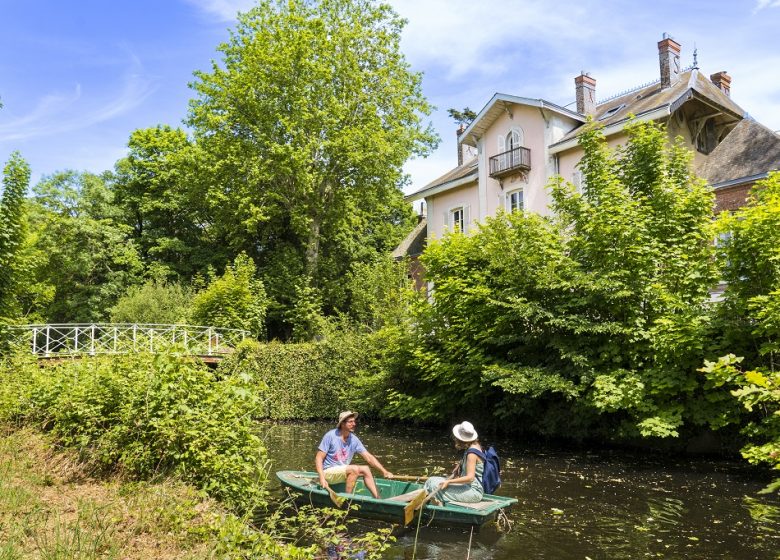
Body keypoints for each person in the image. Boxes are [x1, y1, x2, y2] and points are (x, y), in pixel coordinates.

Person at [315, 411, 393, 499]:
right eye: (350, 422)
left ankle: (379, 499)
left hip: (342, 472)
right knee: (354, 469)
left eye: (354, 421)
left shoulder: (354, 439)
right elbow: (319, 458)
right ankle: (348, 500)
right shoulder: (330, 436)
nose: (354, 424)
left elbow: (369, 457)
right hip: (327, 472)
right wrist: (321, 478)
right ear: (342, 424)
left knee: (366, 469)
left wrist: (384, 471)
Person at [424, 420, 484, 504]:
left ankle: (434, 505)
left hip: (473, 492)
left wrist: (449, 481)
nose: (455, 439)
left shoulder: (471, 453)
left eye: (456, 437)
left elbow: (470, 478)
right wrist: (460, 465)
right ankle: (429, 500)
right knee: (431, 480)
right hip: (468, 487)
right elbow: (473, 464)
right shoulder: (474, 445)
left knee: (434, 486)